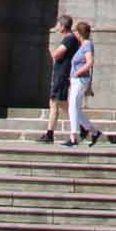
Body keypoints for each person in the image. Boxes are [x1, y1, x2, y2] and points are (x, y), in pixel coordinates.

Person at [42, 13, 79, 144]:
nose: (57, 27)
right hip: (61, 74)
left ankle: (81, 128)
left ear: (63, 26)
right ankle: (50, 133)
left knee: (58, 104)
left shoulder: (69, 39)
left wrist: (51, 52)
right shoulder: (70, 38)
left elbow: (57, 55)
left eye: (59, 25)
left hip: (62, 75)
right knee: (57, 104)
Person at [66, 20, 101, 147]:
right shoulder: (84, 45)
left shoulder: (87, 44)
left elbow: (89, 62)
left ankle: (73, 138)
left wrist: (77, 73)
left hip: (80, 80)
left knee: (72, 108)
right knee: (75, 108)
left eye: (76, 31)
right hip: (78, 80)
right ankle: (94, 132)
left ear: (79, 32)